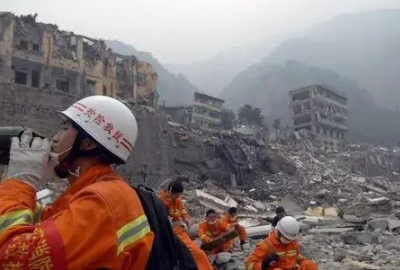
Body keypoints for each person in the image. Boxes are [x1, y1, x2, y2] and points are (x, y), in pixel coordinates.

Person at [0, 96, 154, 269]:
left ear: (88, 144)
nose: (55, 138)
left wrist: (19, 183)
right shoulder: (94, 191)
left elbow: (11, 258)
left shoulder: (101, 201)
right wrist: (24, 185)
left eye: (64, 128)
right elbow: (45, 224)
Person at [159, 180, 213, 270]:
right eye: (177, 195)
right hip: (173, 235)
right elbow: (164, 223)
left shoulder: (176, 200)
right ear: (170, 192)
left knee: (199, 254)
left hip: (181, 231)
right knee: (198, 254)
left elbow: (182, 210)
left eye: (179, 195)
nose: (178, 197)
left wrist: (186, 218)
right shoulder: (161, 203)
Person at [245, 216, 318, 270]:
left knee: (310, 265)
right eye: (287, 238)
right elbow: (249, 266)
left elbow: (297, 257)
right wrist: (264, 264)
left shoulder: (292, 243)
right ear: (278, 233)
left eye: (291, 239)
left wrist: (304, 263)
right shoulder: (265, 246)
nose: (289, 241)